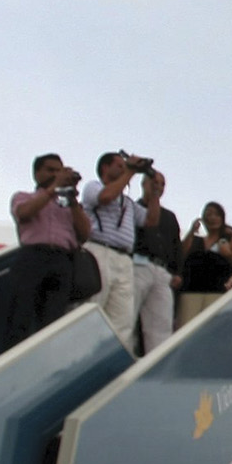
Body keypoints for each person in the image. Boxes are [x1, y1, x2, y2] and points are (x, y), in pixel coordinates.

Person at [6, 152, 91, 345]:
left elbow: (85, 233)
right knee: (20, 314)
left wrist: (72, 198)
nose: (55, 174)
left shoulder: (68, 205)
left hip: (62, 260)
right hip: (32, 257)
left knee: (53, 320)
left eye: (59, 171)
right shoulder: (23, 196)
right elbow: (24, 212)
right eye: (50, 170)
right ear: (37, 174)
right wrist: (54, 188)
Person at [81, 150, 150, 349]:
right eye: (119, 165)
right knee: (92, 309)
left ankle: (113, 362)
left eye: (124, 165)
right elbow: (106, 197)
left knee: (123, 319)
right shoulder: (93, 187)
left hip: (124, 259)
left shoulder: (127, 202)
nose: (124, 168)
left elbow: (150, 220)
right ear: (105, 168)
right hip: (98, 252)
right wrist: (130, 171)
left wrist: (153, 191)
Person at [132, 169, 183, 352]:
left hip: (163, 271)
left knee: (161, 324)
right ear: (144, 184)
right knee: (128, 317)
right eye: (154, 183)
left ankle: (156, 364)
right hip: (138, 265)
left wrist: (177, 272)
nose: (158, 187)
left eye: (162, 184)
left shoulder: (169, 217)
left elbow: (177, 246)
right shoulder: (133, 209)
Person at [179, 200, 232, 325]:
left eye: (217, 215)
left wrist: (229, 254)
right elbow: (181, 254)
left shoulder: (227, 239)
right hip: (191, 291)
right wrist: (192, 231)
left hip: (217, 291)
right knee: (187, 327)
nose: (213, 218)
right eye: (209, 214)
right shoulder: (196, 241)